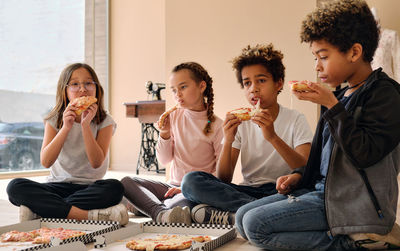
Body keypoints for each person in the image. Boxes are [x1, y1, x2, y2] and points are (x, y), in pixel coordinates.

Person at [235, 0, 400, 250]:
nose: (317, 66)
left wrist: (333, 107)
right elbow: (319, 162)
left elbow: (365, 154)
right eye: (315, 57)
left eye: (323, 57)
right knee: (241, 218)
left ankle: (359, 244)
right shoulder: (338, 96)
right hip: (324, 194)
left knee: (255, 226)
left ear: (354, 52)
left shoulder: (386, 94)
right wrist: (298, 176)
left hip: (357, 206)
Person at [181, 44, 313, 225]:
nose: (253, 89)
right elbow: (223, 179)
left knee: (308, 193)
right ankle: (258, 211)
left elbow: (306, 170)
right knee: (190, 181)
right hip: (247, 191)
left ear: (278, 83)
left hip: (282, 191)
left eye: (261, 80)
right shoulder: (242, 122)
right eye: (247, 83)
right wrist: (228, 140)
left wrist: (272, 137)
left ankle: (240, 213)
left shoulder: (295, 119)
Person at [7, 63, 128, 225]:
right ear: (64, 91)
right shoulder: (54, 119)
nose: (83, 89)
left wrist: (85, 125)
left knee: (115, 188)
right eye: (75, 84)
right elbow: (46, 161)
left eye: (88, 83)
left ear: (97, 89)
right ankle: (86, 216)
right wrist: (66, 127)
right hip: (57, 186)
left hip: (89, 187)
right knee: (15, 186)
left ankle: (44, 210)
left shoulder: (105, 121)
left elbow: (96, 162)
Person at [121, 62, 223, 225]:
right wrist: (165, 134)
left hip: (195, 191)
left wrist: (185, 189)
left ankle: (149, 207)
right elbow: (164, 160)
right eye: (174, 90)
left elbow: (220, 176)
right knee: (125, 182)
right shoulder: (174, 116)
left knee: (176, 205)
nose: (177, 94)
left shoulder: (218, 125)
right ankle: (161, 212)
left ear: (201, 86)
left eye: (183, 87)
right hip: (170, 185)